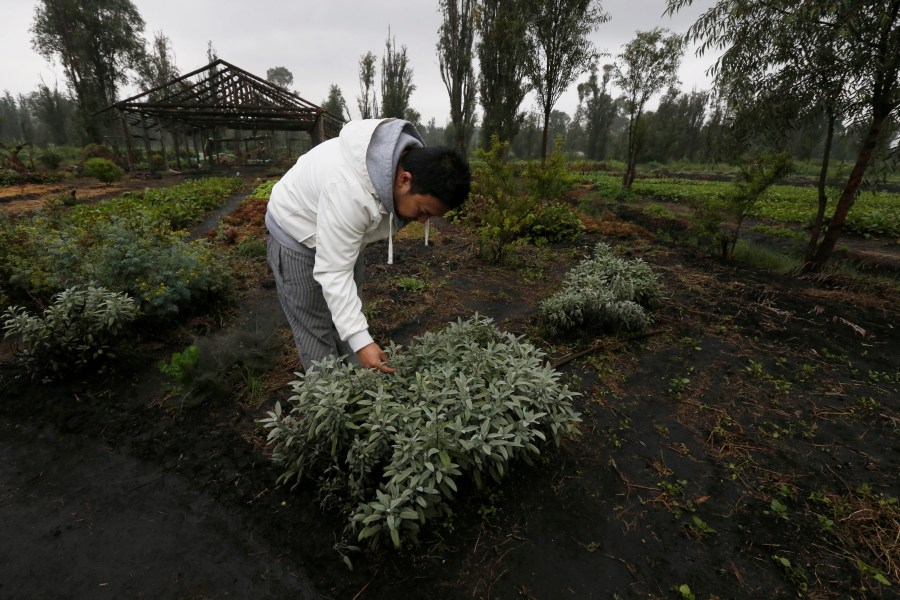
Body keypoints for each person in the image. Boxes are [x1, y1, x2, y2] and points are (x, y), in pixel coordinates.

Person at [265, 117, 471, 373]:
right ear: (404, 180)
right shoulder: (351, 191)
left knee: (349, 318)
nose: (421, 220)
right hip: (296, 231)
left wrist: (360, 340)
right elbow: (334, 271)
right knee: (316, 330)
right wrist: (363, 343)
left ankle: (357, 385)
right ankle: (331, 402)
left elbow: (341, 265)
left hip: (337, 227)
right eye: (422, 210)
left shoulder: (402, 169)